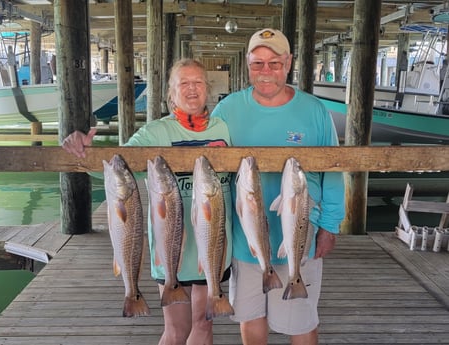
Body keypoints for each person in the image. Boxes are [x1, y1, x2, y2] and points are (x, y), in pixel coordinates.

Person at [62, 59, 233, 345]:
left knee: (203, 327)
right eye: (184, 83)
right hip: (170, 245)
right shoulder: (155, 132)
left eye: (198, 83)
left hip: (213, 244)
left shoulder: (223, 128)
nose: (192, 89)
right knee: (176, 330)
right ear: (171, 93)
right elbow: (117, 169)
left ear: (208, 89)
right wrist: (86, 152)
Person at [211, 28, 345, 345]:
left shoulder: (315, 110)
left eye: (274, 63)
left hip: (300, 236)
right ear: (247, 64)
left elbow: (335, 171)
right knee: (251, 316)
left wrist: (329, 226)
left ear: (289, 62)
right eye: (258, 63)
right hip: (246, 241)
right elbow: (198, 149)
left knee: (300, 321)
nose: (266, 71)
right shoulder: (228, 110)